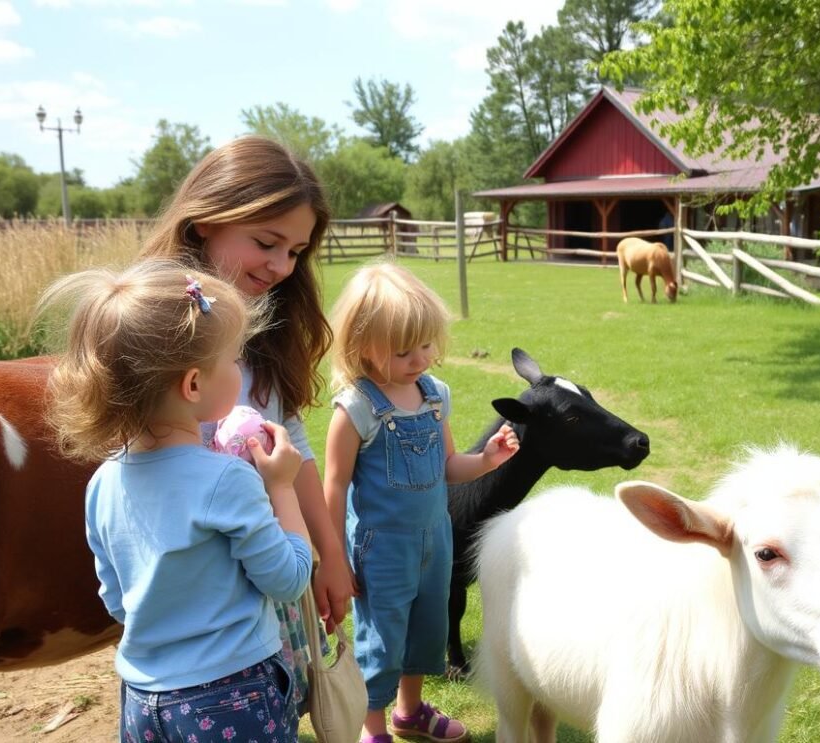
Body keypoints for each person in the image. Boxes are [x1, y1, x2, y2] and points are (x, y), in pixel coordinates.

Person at [41, 260, 313, 742]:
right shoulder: (227, 478)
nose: (239, 367)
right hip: (234, 696)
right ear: (193, 385)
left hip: (143, 703)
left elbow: (116, 600)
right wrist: (283, 486)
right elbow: (289, 580)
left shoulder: (102, 481)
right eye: (233, 359)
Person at [139, 136, 354, 729]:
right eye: (266, 242)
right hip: (191, 611)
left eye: (296, 251)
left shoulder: (264, 331)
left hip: (268, 577)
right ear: (206, 220)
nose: (281, 267)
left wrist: (328, 554)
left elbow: (290, 440)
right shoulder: (148, 329)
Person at [323, 262, 520, 743]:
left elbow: (449, 466)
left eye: (427, 344)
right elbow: (334, 485)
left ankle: (408, 712)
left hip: (436, 542)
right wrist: (334, 558)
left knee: (427, 631)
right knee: (382, 639)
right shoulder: (356, 409)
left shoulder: (434, 397)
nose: (420, 359)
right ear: (360, 346)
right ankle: (370, 727)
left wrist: (488, 460)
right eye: (403, 350)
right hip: (382, 548)